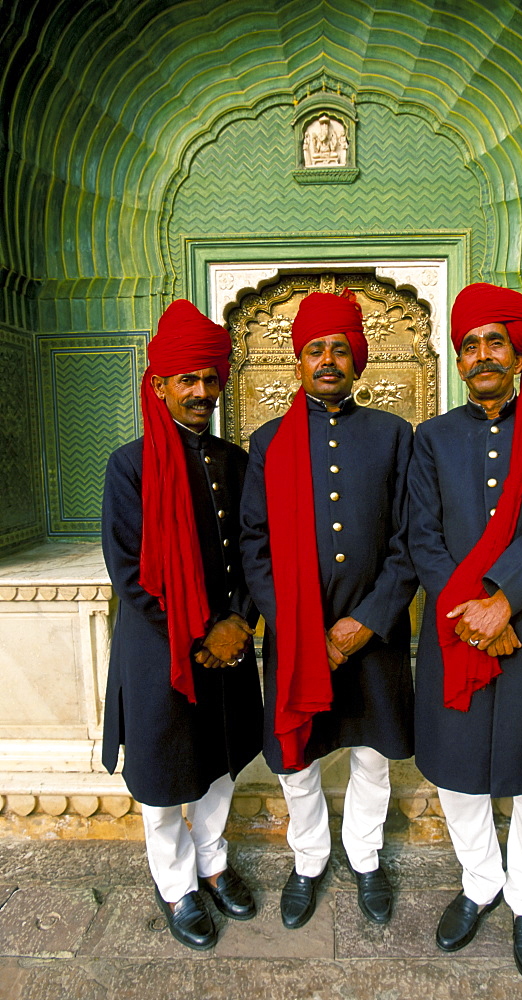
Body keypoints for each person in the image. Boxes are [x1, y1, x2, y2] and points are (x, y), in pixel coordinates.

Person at [408, 283, 522, 984]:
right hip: (458, 629)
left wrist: (504, 602)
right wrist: (472, 613)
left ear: (518, 351)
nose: (482, 354)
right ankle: (481, 881)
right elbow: (421, 537)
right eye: (469, 345)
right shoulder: (433, 438)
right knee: (458, 772)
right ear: (458, 359)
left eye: (494, 341)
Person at [240, 289, 416, 930]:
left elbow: (410, 539)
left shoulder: (396, 435)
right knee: (300, 756)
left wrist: (367, 622)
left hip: (375, 633)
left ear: (358, 360)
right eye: (316, 349)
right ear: (299, 361)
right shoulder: (268, 442)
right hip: (298, 634)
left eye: (341, 348)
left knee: (371, 754)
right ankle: (309, 860)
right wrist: (301, 630)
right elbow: (254, 545)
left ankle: (365, 857)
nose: (328, 360)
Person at [102, 299, 263, 951]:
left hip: (228, 642)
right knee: (165, 772)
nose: (201, 392)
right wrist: (200, 633)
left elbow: (257, 551)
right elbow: (129, 570)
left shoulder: (236, 461)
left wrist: (240, 624)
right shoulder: (130, 465)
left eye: (210, 378)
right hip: (160, 647)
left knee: (220, 762)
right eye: (187, 380)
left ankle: (214, 863)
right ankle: (176, 885)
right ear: (161, 384)